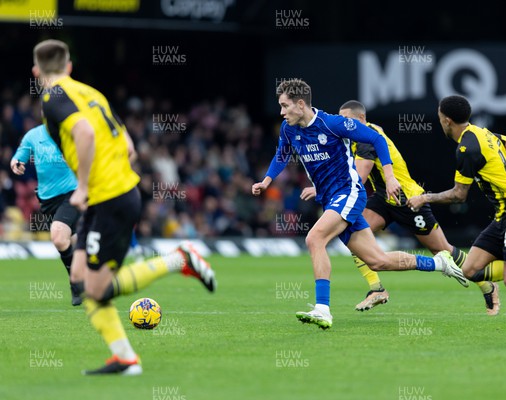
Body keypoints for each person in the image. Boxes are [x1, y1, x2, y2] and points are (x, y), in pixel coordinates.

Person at [33, 39, 217, 375]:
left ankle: (180, 258)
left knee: (96, 289)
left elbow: (85, 133)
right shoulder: (91, 93)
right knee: (79, 277)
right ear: (69, 66)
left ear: (36, 71)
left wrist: (86, 186)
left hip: (108, 198)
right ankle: (124, 359)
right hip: (115, 193)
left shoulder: (52, 98)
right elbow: (129, 145)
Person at [252, 78, 467, 331]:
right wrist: (267, 180)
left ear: (301, 104)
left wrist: (388, 177)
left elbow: (376, 140)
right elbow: (281, 154)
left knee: (314, 239)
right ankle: (441, 263)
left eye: (285, 106)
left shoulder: (332, 123)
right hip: (331, 198)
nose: (281, 112)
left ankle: (322, 309)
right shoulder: (289, 130)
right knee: (377, 261)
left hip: (348, 193)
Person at [301, 100, 503, 315]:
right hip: (384, 198)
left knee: (442, 249)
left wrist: (327, 189)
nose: (343, 124)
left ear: (361, 119)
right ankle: (376, 289)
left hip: (407, 199)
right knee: (352, 231)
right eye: (341, 119)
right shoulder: (355, 137)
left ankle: (486, 283)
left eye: (347, 119)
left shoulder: (365, 138)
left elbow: (360, 176)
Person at [407, 95, 506, 341]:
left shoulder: (466, 148)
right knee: (470, 270)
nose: (440, 122)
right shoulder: (482, 132)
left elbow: (459, 195)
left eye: (440, 118)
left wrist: (424, 198)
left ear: (447, 120)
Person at [11, 124, 82, 305]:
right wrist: (16, 163)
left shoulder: (71, 132)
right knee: (71, 240)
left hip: (72, 192)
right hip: (48, 200)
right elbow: (19, 157)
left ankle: (76, 283)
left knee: (58, 237)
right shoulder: (33, 135)